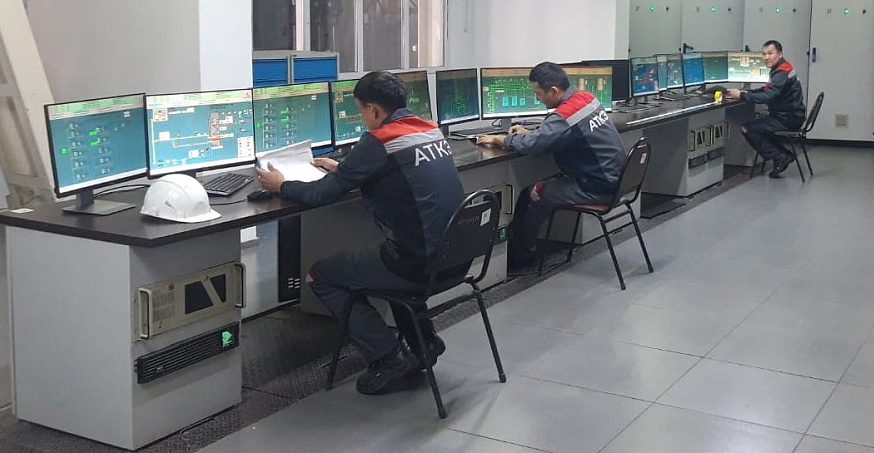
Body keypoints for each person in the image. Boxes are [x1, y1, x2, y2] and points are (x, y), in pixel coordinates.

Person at [256, 71, 464, 395]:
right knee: (390, 256)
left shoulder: (379, 140)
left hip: (416, 267)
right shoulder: (429, 129)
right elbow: (396, 167)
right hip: (456, 259)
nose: (362, 118)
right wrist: (346, 168)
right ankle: (424, 343)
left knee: (320, 276)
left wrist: (281, 185)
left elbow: (321, 194)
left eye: (360, 111)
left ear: (374, 110)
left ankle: (388, 357)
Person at [476, 62, 625, 273]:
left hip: (597, 189)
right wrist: (533, 134)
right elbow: (556, 134)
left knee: (530, 196)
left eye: (538, 94)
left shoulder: (565, 116)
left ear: (554, 91)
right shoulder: (586, 98)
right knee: (547, 183)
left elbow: (535, 145)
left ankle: (521, 258)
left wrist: (501, 139)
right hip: (615, 180)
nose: (537, 98)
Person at [726, 40, 805, 178]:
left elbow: (769, 96)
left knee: (747, 128)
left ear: (780, 54)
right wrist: (745, 93)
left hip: (788, 118)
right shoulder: (781, 68)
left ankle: (781, 156)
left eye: (770, 53)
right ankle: (782, 155)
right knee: (760, 127)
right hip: (790, 115)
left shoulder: (781, 72)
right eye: (764, 54)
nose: (766, 57)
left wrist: (742, 95)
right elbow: (767, 89)